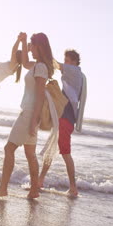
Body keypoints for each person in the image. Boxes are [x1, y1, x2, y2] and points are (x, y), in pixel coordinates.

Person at [0, 32, 55, 199]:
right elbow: (25, 61)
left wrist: (34, 119)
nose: (29, 49)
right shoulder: (37, 65)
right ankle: (34, 191)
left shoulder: (41, 68)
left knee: (9, 148)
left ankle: (3, 188)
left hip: (29, 113)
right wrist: (24, 40)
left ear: (39, 47)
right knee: (30, 154)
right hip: (30, 114)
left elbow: (40, 96)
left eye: (32, 46)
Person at [38, 49, 86, 197]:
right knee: (51, 150)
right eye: (65, 60)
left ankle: (73, 188)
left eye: (68, 61)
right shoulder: (75, 75)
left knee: (65, 153)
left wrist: (43, 50)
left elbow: (57, 65)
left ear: (74, 62)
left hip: (65, 119)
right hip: (62, 118)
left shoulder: (74, 71)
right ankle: (40, 181)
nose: (66, 63)